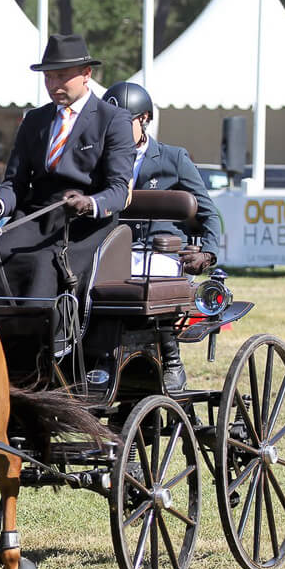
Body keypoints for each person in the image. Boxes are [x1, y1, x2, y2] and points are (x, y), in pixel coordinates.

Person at [0, 34, 135, 324]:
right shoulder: (35, 120)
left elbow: (119, 190)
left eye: (61, 77)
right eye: (48, 78)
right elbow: (15, 185)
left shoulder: (113, 120)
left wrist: (88, 203)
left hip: (86, 224)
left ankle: (45, 343)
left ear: (87, 75)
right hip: (37, 215)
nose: (53, 85)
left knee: (41, 261)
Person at [102, 81, 223, 391]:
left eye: (122, 122)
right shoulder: (100, 161)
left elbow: (208, 212)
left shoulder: (173, 158)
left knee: (150, 275)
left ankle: (171, 358)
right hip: (113, 249)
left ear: (144, 120)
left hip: (162, 253)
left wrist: (207, 253)